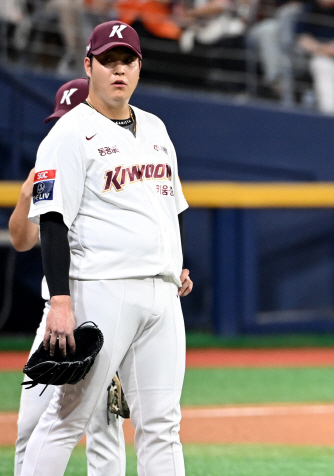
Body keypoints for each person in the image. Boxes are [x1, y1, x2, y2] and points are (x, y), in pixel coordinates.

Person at [21, 20, 193, 476]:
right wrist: (60, 300)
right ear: (88, 66)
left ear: (140, 67)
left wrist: (177, 265)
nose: (119, 70)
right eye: (108, 61)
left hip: (161, 294)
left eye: (127, 60)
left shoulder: (156, 128)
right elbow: (52, 221)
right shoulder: (68, 133)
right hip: (102, 288)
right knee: (66, 418)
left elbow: (167, 208)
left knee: (161, 424)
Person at [11, 78, 130, 476]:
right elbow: (22, 240)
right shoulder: (54, 164)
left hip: (105, 305)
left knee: (103, 429)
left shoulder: (117, 173)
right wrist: (27, 195)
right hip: (55, 313)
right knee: (30, 426)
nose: (61, 126)